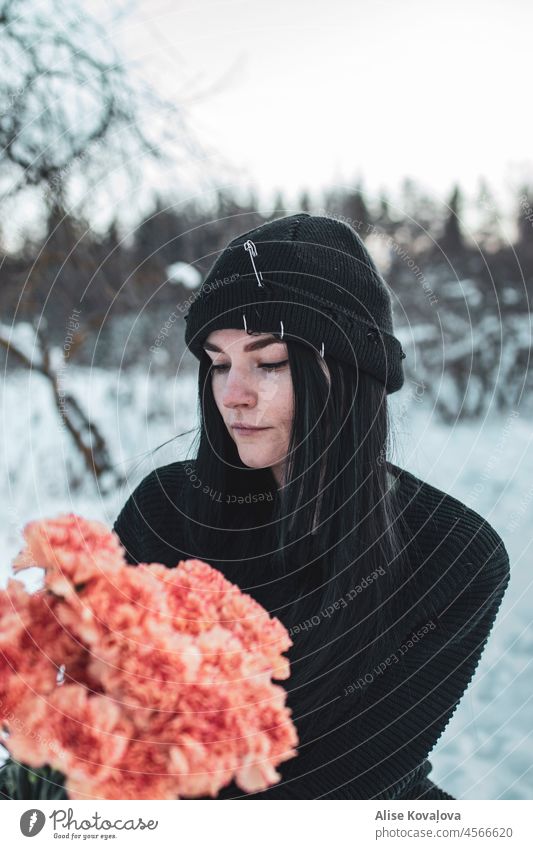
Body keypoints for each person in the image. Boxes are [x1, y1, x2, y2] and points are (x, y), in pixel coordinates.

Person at [113, 213, 510, 799]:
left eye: (268, 361)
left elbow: (330, 789)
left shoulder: (452, 554)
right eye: (219, 364)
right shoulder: (165, 515)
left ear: (349, 371)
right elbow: (89, 726)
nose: (232, 394)